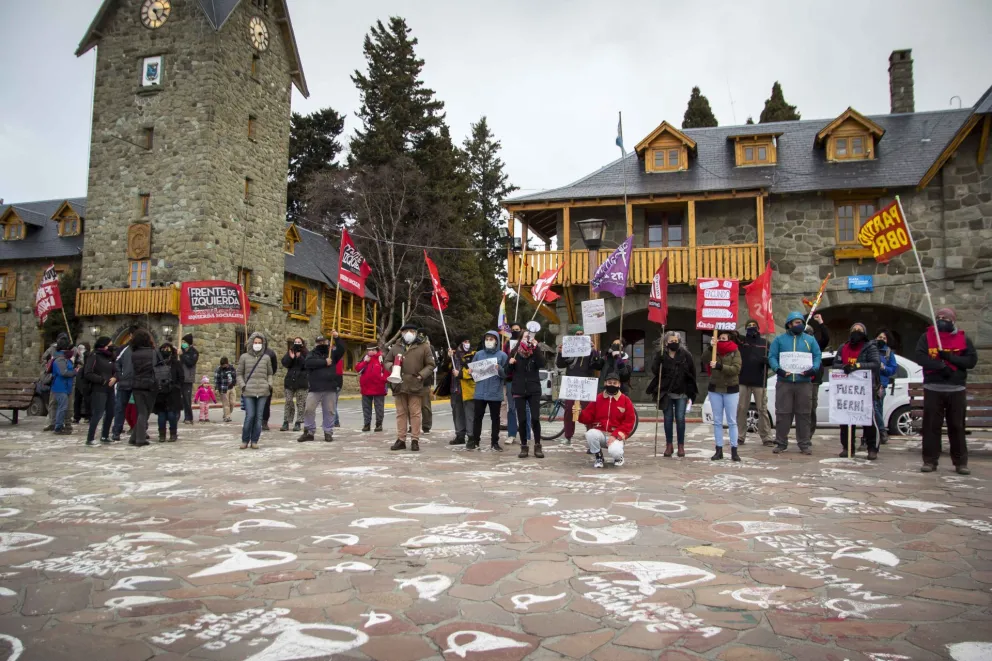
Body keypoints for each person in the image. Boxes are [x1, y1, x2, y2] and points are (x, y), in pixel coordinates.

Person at [915, 307, 978, 474]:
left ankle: (960, 462)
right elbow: (921, 357)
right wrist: (940, 366)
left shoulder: (963, 339)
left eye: (945, 318)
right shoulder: (926, 338)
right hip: (933, 387)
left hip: (956, 388)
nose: (941, 319)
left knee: (956, 426)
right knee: (931, 426)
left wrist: (950, 358)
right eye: (939, 317)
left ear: (953, 321)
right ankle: (930, 460)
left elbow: (971, 361)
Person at [823, 322, 880, 459]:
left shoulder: (869, 347)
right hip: (846, 390)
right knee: (846, 419)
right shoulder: (843, 347)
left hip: (864, 390)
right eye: (854, 329)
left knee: (868, 420)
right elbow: (836, 363)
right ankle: (847, 447)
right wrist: (844, 366)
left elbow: (875, 363)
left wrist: (857, 366)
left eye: (859, 330)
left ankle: (872, 448)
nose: (856, 331)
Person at [768, 311, 822, 455]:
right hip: (784, 382)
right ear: (789, 324)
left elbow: (817, 355)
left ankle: (804, 443)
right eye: (797, 322)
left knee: (804, 413)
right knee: (782, 413)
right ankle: (780, 442)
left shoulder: (810, 340)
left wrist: (813, 369)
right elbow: (772, 356)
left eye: (801, 322)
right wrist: (777, 369)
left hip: (804, 382)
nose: (800, 325)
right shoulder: (779, 340)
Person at [385, 323, 435, 452]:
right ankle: (401, 439)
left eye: (412, 331)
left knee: (415, 413)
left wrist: (421, 375)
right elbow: (386, 361)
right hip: (398, 384)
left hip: (415, 384)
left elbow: (430, 364)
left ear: (416, 333)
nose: (408, 333)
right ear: (401, 333)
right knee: (401, 413)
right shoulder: (396, 347)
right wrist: (392, 367)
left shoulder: (424, 347)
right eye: (406, 331)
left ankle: (414, 440)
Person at [649, 331, 698, 457]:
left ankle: (681, 445)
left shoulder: (686, 355)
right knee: (668, 419)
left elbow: (693, 373)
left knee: (680, 419)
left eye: (676, 341)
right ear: (666, 342)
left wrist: (691, 393)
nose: (673, 343)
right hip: (667, 392)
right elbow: (655, 371)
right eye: (671, 341)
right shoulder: (661, 355)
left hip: (682, 392)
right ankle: (669, 445)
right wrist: (658, 361)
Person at [555, 325, 603, 445]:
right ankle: (568, 436)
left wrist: (594, 350)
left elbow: (598, 365)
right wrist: (561, 353)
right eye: (577, 334)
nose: (580, 336)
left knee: (588, 411)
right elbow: (560, 365)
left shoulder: (589, 350)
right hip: (572, 383)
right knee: (569, 411)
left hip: (586, 383)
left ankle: (591, 435)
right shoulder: (568, 349)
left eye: (582, 334)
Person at [579, 372, 636, 469]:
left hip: (615, 435)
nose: (612, 385)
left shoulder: (625, 400)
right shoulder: (598, 398)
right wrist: (579, 413)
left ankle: (619, 458)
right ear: (605, 383)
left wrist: (616, 435)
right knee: (590, 434)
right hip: (600, 433)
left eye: (615, 383)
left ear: (619, 385)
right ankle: (598, 457)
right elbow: (588, 417)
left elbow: (629, 422)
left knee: (615, 451)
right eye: (609, 383)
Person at [299, 333, 345, 443]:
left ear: (328, 342)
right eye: (319, 342)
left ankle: (328, 432)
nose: (321, 344)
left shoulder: (333, 354)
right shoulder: (312, 354)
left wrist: (337, 337)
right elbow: (308, 363)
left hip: (330, 387)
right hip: (315, 387)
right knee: (308, 409)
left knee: (329, 411)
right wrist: (324, 362)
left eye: (323, 342)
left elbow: (342, 349)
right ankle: (309, 431)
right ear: (316, 344)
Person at [469, 330, 508, 452]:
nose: (489, 341)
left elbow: (506, 374)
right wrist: (471, 372)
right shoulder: (479, 354)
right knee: (477, 418)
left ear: (496, 341)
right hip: (480, 392)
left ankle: (494, 442)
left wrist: (499, 368)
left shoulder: (502, 356)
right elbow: (474, 372)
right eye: (487, 339)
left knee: (495, 419)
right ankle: (475, 441)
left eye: (491, 339)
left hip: (495, 392)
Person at [507, 331, 544, 459]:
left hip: (534, 389)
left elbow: (542, 363)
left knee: (535, 418)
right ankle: (524, 446)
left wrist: (536, 347)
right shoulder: (515, 352)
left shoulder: (535, 352)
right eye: (525, 337)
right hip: (519, 389)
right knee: (522, 420)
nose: (527, 339)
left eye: (530, 337)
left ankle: (538, 445)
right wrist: (510, 364)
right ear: (520, 339)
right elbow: (507, 373)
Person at [708, 331, 742, 462]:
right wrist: (711, 347)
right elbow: (705, 359)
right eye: (719, 338)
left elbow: (736, 369)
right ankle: (718, 450)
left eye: (724, 338)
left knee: (732, 421)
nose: (721, 340)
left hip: (731, 389)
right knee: (717, 421)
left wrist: (720, 366)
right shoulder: (714, 350)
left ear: (729, 339)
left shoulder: (735, 351)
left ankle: (734, 450)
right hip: (715, 388)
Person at [737, 320, 772, 447]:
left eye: (754, 326)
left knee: (762, 409)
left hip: (760, 381)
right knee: (741, 409)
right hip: (743, 380)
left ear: (758, 328)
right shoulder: (741, 341)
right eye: (749, 326)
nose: (752, 328)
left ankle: (767, 437)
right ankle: (740, 436)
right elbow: (731, 334)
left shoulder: (765, 343)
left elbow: (774, 360)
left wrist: (768, 361)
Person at [237, 331, 274, 449]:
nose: (257, 344)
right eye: (255, 342)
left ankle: (254, 440)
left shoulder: (266, 358)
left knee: (259, 418)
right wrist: (243, 385)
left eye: (260, 343)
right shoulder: (244, 357)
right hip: (248, 391)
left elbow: (270, 373)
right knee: (250, 416)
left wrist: (269, 384)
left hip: (263, 391)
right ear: (251, 343)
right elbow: (239, 374)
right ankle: (245, 439)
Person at [82, 336, 118, 445]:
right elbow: (87, 373)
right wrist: (102, 380)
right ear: (103, 345)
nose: (112, 346)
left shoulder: (111, 357)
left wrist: (115, 377)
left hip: (110, 389)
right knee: (98, 413)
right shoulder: (94, 356)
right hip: (99, 389)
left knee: (111, 412)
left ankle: (105, 435)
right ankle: (90, 438)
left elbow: (116, 370)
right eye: (109, 344)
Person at [128, 329, 156, 447]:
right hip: (150, 385)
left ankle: (134, 437)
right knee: (145, 412)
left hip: (137, 384)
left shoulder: (133, 353)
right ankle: (140, 438)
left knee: (141, 411)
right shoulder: (153, 352)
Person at [45, 334, 76, 433]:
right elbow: (63, 372)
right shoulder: (60, 359)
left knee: (65, 406)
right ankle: (58, 427)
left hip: (66, 386)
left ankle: (61, 425)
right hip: (60, 386)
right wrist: (75, 372)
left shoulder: (66, 359)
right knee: (62, 407)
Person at [502, 322, 527, 445]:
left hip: (524, 379)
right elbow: (504, 361)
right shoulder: (507, 345)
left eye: (518, 329)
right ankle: (511, 434)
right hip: (511, 379)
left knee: (525, 408)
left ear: (521, 330)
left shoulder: (527, 342)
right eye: (513, 330)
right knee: (511, 408)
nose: (516, 331)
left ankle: (526, 434)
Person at [154, 342, 184, 442]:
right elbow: (181, 378)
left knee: (164, 414)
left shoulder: (157, 363)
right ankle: (171, 434)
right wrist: (177, 386)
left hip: (162, 391)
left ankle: (163, 435)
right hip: (170, 391)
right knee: (169, 414)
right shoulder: (176, 363)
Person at [873, 329, 899, 445]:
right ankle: (881, 432)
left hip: (881, 385)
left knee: (877, 408)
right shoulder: (870, 349)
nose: (881, 340)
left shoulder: (888, 353)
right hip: (869, 383)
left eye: (884, 338)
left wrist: (884, 368)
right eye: (879, 337)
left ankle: (880, 432)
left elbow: (893, 370)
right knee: (874, 408)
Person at [805, 314, 830, 432]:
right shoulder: (797, 346)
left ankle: (809, 432)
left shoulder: (817, 346)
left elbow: (826, 338)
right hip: (800, 380)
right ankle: (802, 432)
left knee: (811, 408)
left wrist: (821, 322)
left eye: (810, 334)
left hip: (813, 381)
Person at [450, 337, 476, 446]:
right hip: (455, 388)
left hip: (468, 389)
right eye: (465, 341)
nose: (467, 343)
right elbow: (444, 368)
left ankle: (471, 436)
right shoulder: (453, 355)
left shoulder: (474, 355)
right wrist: (448, 358)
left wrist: (460, 374)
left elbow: (475, 371)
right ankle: (460, 435)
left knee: (470, 414)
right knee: (457, 413)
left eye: (468, 341)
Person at [356, 343, 387, 432]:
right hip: (366, 388)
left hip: (379, 388)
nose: (370, 352)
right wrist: (365, 362)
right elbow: (357, 369)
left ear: (376, 350)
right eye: (369, 350)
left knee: (379, 407)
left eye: (372, 350)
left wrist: (383, 380)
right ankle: (367, 424)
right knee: (366, 408)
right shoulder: (365, 358)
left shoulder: (382, 358)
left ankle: (379, 424)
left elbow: (387, 371)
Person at [280, 337, 308, 432]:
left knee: (300, 403)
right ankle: (286, 422)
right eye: (295, 342)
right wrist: (290, 358)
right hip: (290, 381)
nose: (297, 343)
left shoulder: (306, 353)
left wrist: (299, 357)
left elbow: (307, 365)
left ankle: (298, 422)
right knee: (288, 401)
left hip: (302, 382)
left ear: (302, 344)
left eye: (299, 342)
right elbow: (284, 363)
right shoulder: (290, 352)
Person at [111, 341, 133, 441]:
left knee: (139, 409)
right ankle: (117, 430)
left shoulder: (147, 349)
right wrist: (120, 376)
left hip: (139, 383)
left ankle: (139, 429)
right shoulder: (125, 349)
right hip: (125, 383)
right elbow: (117, 362)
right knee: (120, 407)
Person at [179, 334, 199, 425]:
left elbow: (190, 363)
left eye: (184, 342)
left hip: (188, 378)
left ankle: (189, 417)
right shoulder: (181, 351)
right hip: (180, 377)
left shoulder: (194, 352)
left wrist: (182, 355)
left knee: (187, 398)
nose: (182, 344)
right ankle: (177, 416)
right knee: (179, 398)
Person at [260, 342, 279, 431]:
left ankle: (264, 421)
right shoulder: (250, 351)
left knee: (266, 403)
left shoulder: (270, 353)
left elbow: (274, 367)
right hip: (253, 381)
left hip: (266, 381)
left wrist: (268, 375)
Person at [72, 342, 91, 426]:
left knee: (87, 399)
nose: (80, 350)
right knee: (77, 400)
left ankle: (88, 416)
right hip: (78, 380)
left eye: (82, 349)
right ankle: (76, 416)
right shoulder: (77, 357)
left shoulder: (88, 356)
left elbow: (88, 367)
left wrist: (82, 365)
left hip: (85, 380)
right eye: (79, 349)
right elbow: (74, 366)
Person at [214, 357, 238, 423]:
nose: (223, 366)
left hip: (232, 387)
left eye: (224, 365)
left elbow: (235, 376)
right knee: (226, 404)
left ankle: (226, 414)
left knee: (232, 403)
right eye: (222, 365)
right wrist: (216, 388)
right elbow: (216, 380)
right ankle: (227, 417)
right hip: (223, 388)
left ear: (227, 364)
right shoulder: (218, 369)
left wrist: (234, 383)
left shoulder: (232, 368)